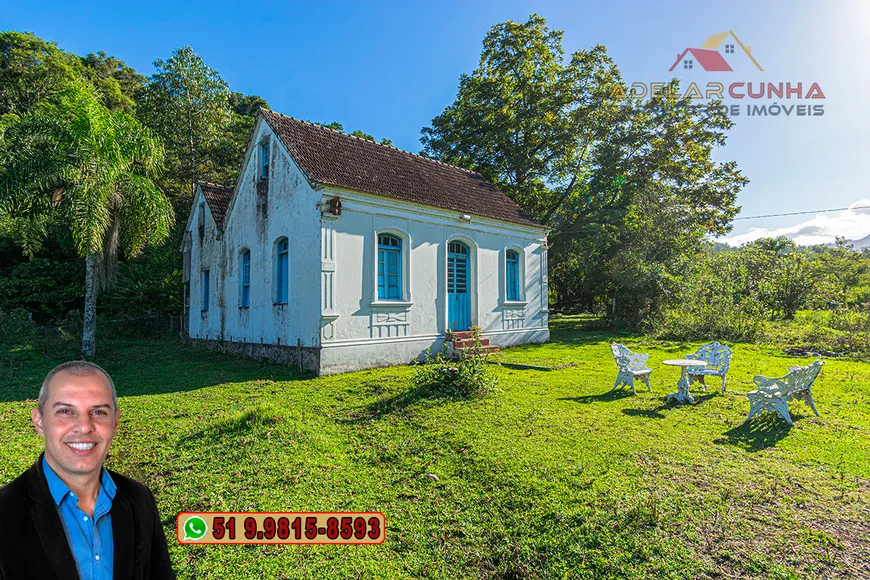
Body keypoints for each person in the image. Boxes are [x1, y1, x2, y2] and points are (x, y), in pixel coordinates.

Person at [0, 361, 175, 580]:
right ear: (39, 421)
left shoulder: (140, 499)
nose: (84, 426)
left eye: (99, 412)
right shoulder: (5, 511)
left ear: (115, 421)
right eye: (65, 411)